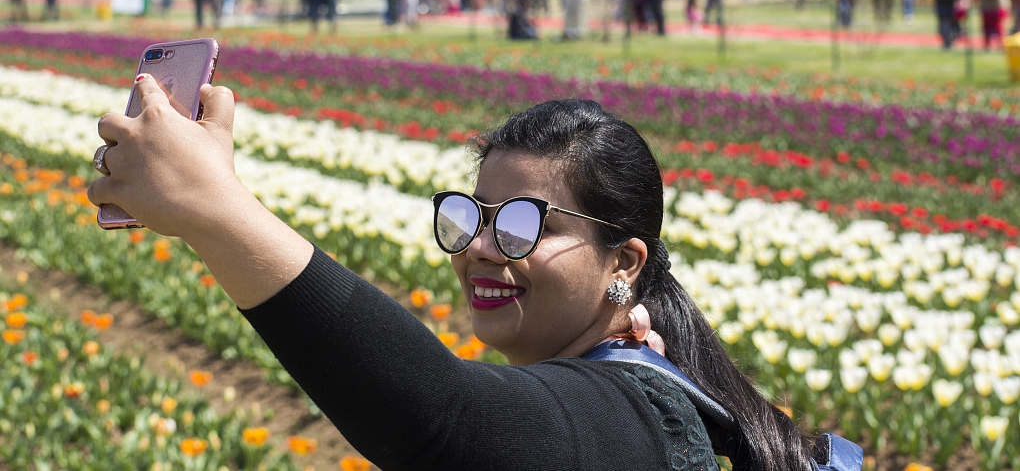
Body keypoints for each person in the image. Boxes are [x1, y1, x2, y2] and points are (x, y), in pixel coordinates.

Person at [89, 85, 848, 471]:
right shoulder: (649, 391)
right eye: (473, 216)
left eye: (526, 226)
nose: (483, 247)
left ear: (625, 263)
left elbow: (444, 423)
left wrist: (220, 213)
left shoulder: (630, 416)